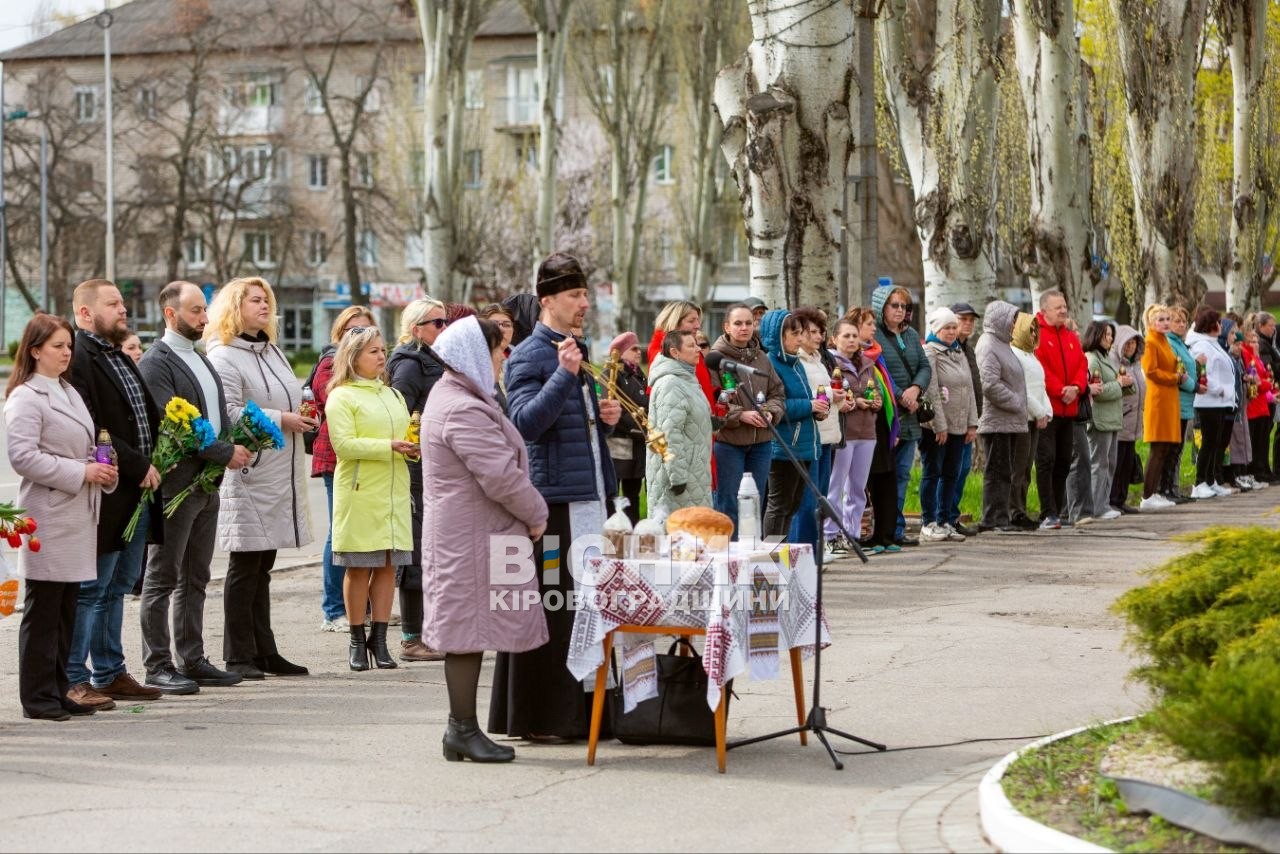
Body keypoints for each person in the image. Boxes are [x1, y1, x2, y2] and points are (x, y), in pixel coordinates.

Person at [488, 252, 621, 743]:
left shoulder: (572, 349)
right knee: (553, 609)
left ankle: (588, 715)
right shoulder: (529, 355)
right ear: (548, 301)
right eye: (575, 295)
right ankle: (542, 717)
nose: (584, 303)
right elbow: (523, 426)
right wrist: (566, 377)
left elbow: (567, 429)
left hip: (587, 498)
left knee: (588, 609)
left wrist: (602, 420)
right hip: (553, 507)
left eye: (585, 294)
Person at [422, 316, 550, 762]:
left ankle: (463, 730)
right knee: (465, 631)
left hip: (469, 532)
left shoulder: (460, 395)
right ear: (477, 353)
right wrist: (537, 513)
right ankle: (461, 729)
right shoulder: (463, 406)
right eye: (498, 350)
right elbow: (499, 476)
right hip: (469, 536)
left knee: (469, 628)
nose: (504, 358)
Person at [137, 281, 252, 694]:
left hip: (206, 484)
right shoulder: (157, 362)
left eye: (204, 310)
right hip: (176, 486)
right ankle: (157, 665)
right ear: (171, 314)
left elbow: (214, 416)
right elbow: (177, 426)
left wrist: (244, 440)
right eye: (195, 311)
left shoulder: (200, 356)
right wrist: (226, 452)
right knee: (162, 577)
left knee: (197, 577)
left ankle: (193, 658)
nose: (205, 318)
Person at [6, 314, 119, 719]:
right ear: (35, 351)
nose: (66, 352)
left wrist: (101, 467)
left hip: (77, 512)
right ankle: (37, 697)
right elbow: (23, 457)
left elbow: (84, 445)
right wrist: (80, 472)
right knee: (44, 611)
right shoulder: (26, 396)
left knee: (66, 609)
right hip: (49, 515)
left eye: (68, 345)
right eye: (57, 345)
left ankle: (57, 690)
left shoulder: (68, 390)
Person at [205, 276, 316, 679]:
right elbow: (228, 410)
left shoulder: (271, 351)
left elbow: (288, 394)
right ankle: (238, 654)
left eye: (267, 298)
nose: (265, 305)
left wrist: (302, 410)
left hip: (278, 468)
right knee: (245, 565)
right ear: (236, 307)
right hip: (248, 469)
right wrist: (281, 419)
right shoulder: (223, 355)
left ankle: (264, 650)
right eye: (255, 299)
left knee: (263, 564)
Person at [66, 279, 163, 708]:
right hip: (109, 490)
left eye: (122, 302)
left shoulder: (116, 353)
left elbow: (141, 413)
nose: (123, 310)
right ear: (86, 313)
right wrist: (138, 463)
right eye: (113, 304)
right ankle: (75, 677)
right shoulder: (80, 356)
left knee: (119, 584)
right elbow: (92, 425)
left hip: (137, 492)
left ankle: (110, 672)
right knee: (93, 587)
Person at [324, 327, 414, 671]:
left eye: (382, 349)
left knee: (389, 566)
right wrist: (388, 447)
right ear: (353, 357)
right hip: (361, 492)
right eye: (373, 351)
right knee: (359, 567)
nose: (381, 356)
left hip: (393, 490)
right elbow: (344, 445)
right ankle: (356, 640)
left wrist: (412, 448)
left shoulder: (393, 395)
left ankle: (380, 639)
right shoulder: (342, 396)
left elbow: (404, 435)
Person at [387, 298, 449, 663]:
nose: (443, 328)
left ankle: (430, 630)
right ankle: (412, 638)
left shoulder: (436, 359)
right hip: (415, 467)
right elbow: (401, 414)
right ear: (416, 329)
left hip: (437, 466)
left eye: (445, 322)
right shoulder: (410, 364)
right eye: (436, 323)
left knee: (434, 550)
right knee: (416, 551)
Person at [310, 306, 377, 633]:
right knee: (340, 534)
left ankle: (359, 606)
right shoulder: (329, 364)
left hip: (369, 459)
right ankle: (334, 609)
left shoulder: (376, 367)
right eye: (353, 331)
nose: (360, 336)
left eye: (366, 330)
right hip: (336, 458)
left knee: (363, 534)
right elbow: (338, 400)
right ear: (339, 335)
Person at [710, 303, 784, 537]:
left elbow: (777, 392)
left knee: (756, 502)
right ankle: (729, 556)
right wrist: (740, 415)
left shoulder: (761, 357)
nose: (744, 328)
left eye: (749, 323)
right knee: (729, 502)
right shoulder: (715, 359)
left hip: (761, 442)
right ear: (727, 327)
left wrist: (771, 412)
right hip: (729, 443)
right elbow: (713, 401)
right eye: (738, 323)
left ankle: (752, 552)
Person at [870, 285, 931, 546]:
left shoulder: (912, 333)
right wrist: (900, 395)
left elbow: (925, 367)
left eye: (904, 306)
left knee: (904, 473)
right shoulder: (876, 337)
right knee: (884, 475)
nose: (900, 310)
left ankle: (896, 527)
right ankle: (882, 527)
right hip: (889, 416)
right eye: (894, 305)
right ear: (882, 306)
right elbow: (877, 370)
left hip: (911, 416)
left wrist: (916, 389)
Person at [760, 309, 826, 538]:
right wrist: (809, 406)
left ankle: (782, 555)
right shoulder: (770, 364)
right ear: (778, 335)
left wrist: (817, 410)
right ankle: (769, 556)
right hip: (783, 446)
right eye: (794, 333)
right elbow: (776, 405)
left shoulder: (795, 363)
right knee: (779, 506)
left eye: (801, 333)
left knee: (792, 505)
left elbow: (803, 399)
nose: (800, 339)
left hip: (803, 444)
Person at [919, 307, 977, 543]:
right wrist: (939, 425)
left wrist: (972, 423)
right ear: (936, 329)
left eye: (954, 327)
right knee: (933, 472)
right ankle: (928, 521)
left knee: (952, 473)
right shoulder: (930, 352)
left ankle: (945, 520)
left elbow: (969, 388)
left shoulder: (958, 352)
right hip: (937, 428)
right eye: (947, 328)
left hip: (960, 425)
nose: (952, 332)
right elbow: (931, 390)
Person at [825, 311, 879, 551]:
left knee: (858, 488)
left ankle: (852, 533)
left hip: (867, 432)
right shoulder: (830, 364)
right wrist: (854, 402)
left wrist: (876, 401)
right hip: (843, 434)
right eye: (846, 336)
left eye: (855, 336)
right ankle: (830, 535)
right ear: (834, 339)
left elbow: (873, 390)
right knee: (835, 486)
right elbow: (830, 394)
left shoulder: (867, 363)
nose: (851, 340)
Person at [1032, 290, 1087, 529]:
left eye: (1064, 306)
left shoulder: (1071, 337)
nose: (1063, 311)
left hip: (1070, 409)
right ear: (1044, 310)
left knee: (1064, 460)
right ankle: (1047, 512)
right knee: (1046, 459)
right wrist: (1060, 389)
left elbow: (1082, 364)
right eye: (1058, 308)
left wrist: (1075, 387)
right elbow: (1040, 367)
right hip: (1049, 409)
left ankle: (1058, 510)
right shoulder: (1037, 335)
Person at [646, 329, 714, 517]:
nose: (698, 349)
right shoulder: (671, 383)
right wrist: (678, 478)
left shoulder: (687, 380)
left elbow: (689, 420)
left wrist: (714, 423)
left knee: (695, 538)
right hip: (680, 479)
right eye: (691, 346)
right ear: (675, 352)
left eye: (698, 345)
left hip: (694, 473)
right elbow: (669, 434)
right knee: (678, 538)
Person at [975, 301, 1027, 533]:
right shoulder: (988, 345)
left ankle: (1001, 516)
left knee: (1005, 471)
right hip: (997, 420)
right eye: (1012, 319)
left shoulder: (1003, 344)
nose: (1015, 324)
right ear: (1000, 319)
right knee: (996, 471)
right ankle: (991, 518)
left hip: (1009, 420)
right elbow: (989, 384)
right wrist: (1016, 402)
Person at [1183, 307, 1237, 499]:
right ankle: (1199, 482)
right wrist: (1220, 389)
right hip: (1208, 401)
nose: (1221, 326)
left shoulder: (1212, 343)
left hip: (1220, 402)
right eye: (1219, 322)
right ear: (1212, 325)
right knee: (1208, 443)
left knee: (1216, 443)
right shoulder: (1201, 345)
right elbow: (1205, 373)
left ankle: (1211, 479)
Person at [1081, 322, 1128, 521]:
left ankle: (1104, 503)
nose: (1110, 338)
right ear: (1096, 336)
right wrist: (1118, 384)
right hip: (1099, 419)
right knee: (1098, 464)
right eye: (1106, 335)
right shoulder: (1092, 360)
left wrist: (1125, 384)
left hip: (1111, 418)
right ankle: (1096, 506)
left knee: (1109, 463)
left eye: (1111, 335)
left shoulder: (1106, 358)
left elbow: (1113, 385)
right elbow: (1097, 392)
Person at [1139, 304, 1184, 509]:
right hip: (1158, 400)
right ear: (1150, 322)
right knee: (1157, 449)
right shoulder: (1150, 342)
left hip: (1169, 399)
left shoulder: (1163, 340)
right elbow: (1151, 371)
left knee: (1164, 448)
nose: (1166, 323)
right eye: (1161, 320)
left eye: (1167, 319)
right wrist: (1174, 377)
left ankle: (1155, 492)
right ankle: (1147, 495)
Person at [1010, 312, 1050, 529]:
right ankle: (1014, 511)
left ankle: (1021, 508)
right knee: (1018, 466)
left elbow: (1040, 387)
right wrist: (1039, 411)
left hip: (1036, 417)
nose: (1033, 334)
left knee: (1027, 467)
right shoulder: (1014, 354)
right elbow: (1022, 389)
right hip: (1023, 417)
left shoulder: (1031, 355)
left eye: (1036, 330)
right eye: (1029, 329)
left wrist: (1047, 411)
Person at [605, 331, 648, 527]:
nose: (639, 353)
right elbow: (612, 408)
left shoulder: (639, 374)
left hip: (639, 444)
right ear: (621, 352)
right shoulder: (612, 373)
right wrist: (639, 427)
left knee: (633, 494)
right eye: (634, 349)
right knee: (613, 493)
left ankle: (632, 530)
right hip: (620, 442)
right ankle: (613, 530)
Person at [949, 302, 983, 531]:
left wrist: (974, 420)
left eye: (971, 319)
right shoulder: (948, 348)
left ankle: (952, 514)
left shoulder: (967, 348)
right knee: (950, 471)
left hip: (969, 419)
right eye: (963, 319)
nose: (968, 323)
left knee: (962, 470)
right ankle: (943, 516)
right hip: (953, 420)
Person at [1161, 305, 1199, 503]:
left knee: (1177, 451)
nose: (1182, 324)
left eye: (1184, 321)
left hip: (1184, 404)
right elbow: (1179, 374)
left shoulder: (1181, 343)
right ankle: (1165, 490)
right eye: (1177, 321)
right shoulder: (1170, 343)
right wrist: (1195, 386)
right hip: (1175, 402)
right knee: (1170, 450)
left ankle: (1172, 489)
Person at [647, 300, 716, 407]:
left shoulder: (688, 345)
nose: (698, 325)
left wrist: (716, 394)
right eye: (691, 321)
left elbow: (698, 384)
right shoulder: (663, 351)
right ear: (674, 322)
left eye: (698, 320)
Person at [1109, 325, 1146, 514]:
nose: (1131, 346)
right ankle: (1112, 499)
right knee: (1118, 461)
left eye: (1134, 343)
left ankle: (1121, 498)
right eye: (1128, 343)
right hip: (1121, 418)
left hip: (1134, 420)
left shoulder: (1136, 365)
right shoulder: (1114, 362)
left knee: (1127, 462)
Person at [1242, 317, 1275, 488]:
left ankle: (1261, 470)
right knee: (1255, 441)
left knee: (1262, 440)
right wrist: (1267, 384)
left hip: (1262, 404)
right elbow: (1258, 381)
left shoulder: (1256, 357)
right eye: (1252, 341)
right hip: (1254, 405)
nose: (1256, 344)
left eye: (1256, 341)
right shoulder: (1248, 355)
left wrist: (1267, 384)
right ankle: (1255, 471)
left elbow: (1265, 378)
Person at [1253, 311, 1280, 479]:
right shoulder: (1263, 345)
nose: (1273, 329)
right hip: (1267, 394)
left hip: (1270, 393)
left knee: (1265, 433)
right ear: (1261, 326)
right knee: (1262, 434)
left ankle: (1266, 469)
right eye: (1270, 326)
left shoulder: (1268, 343)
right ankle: (1262, 469)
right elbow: (1268, 369)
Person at [479, 302, 516, 411]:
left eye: (506, 325)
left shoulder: (524, 357)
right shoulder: (473, 360)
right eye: (494, 324)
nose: (501, 330)